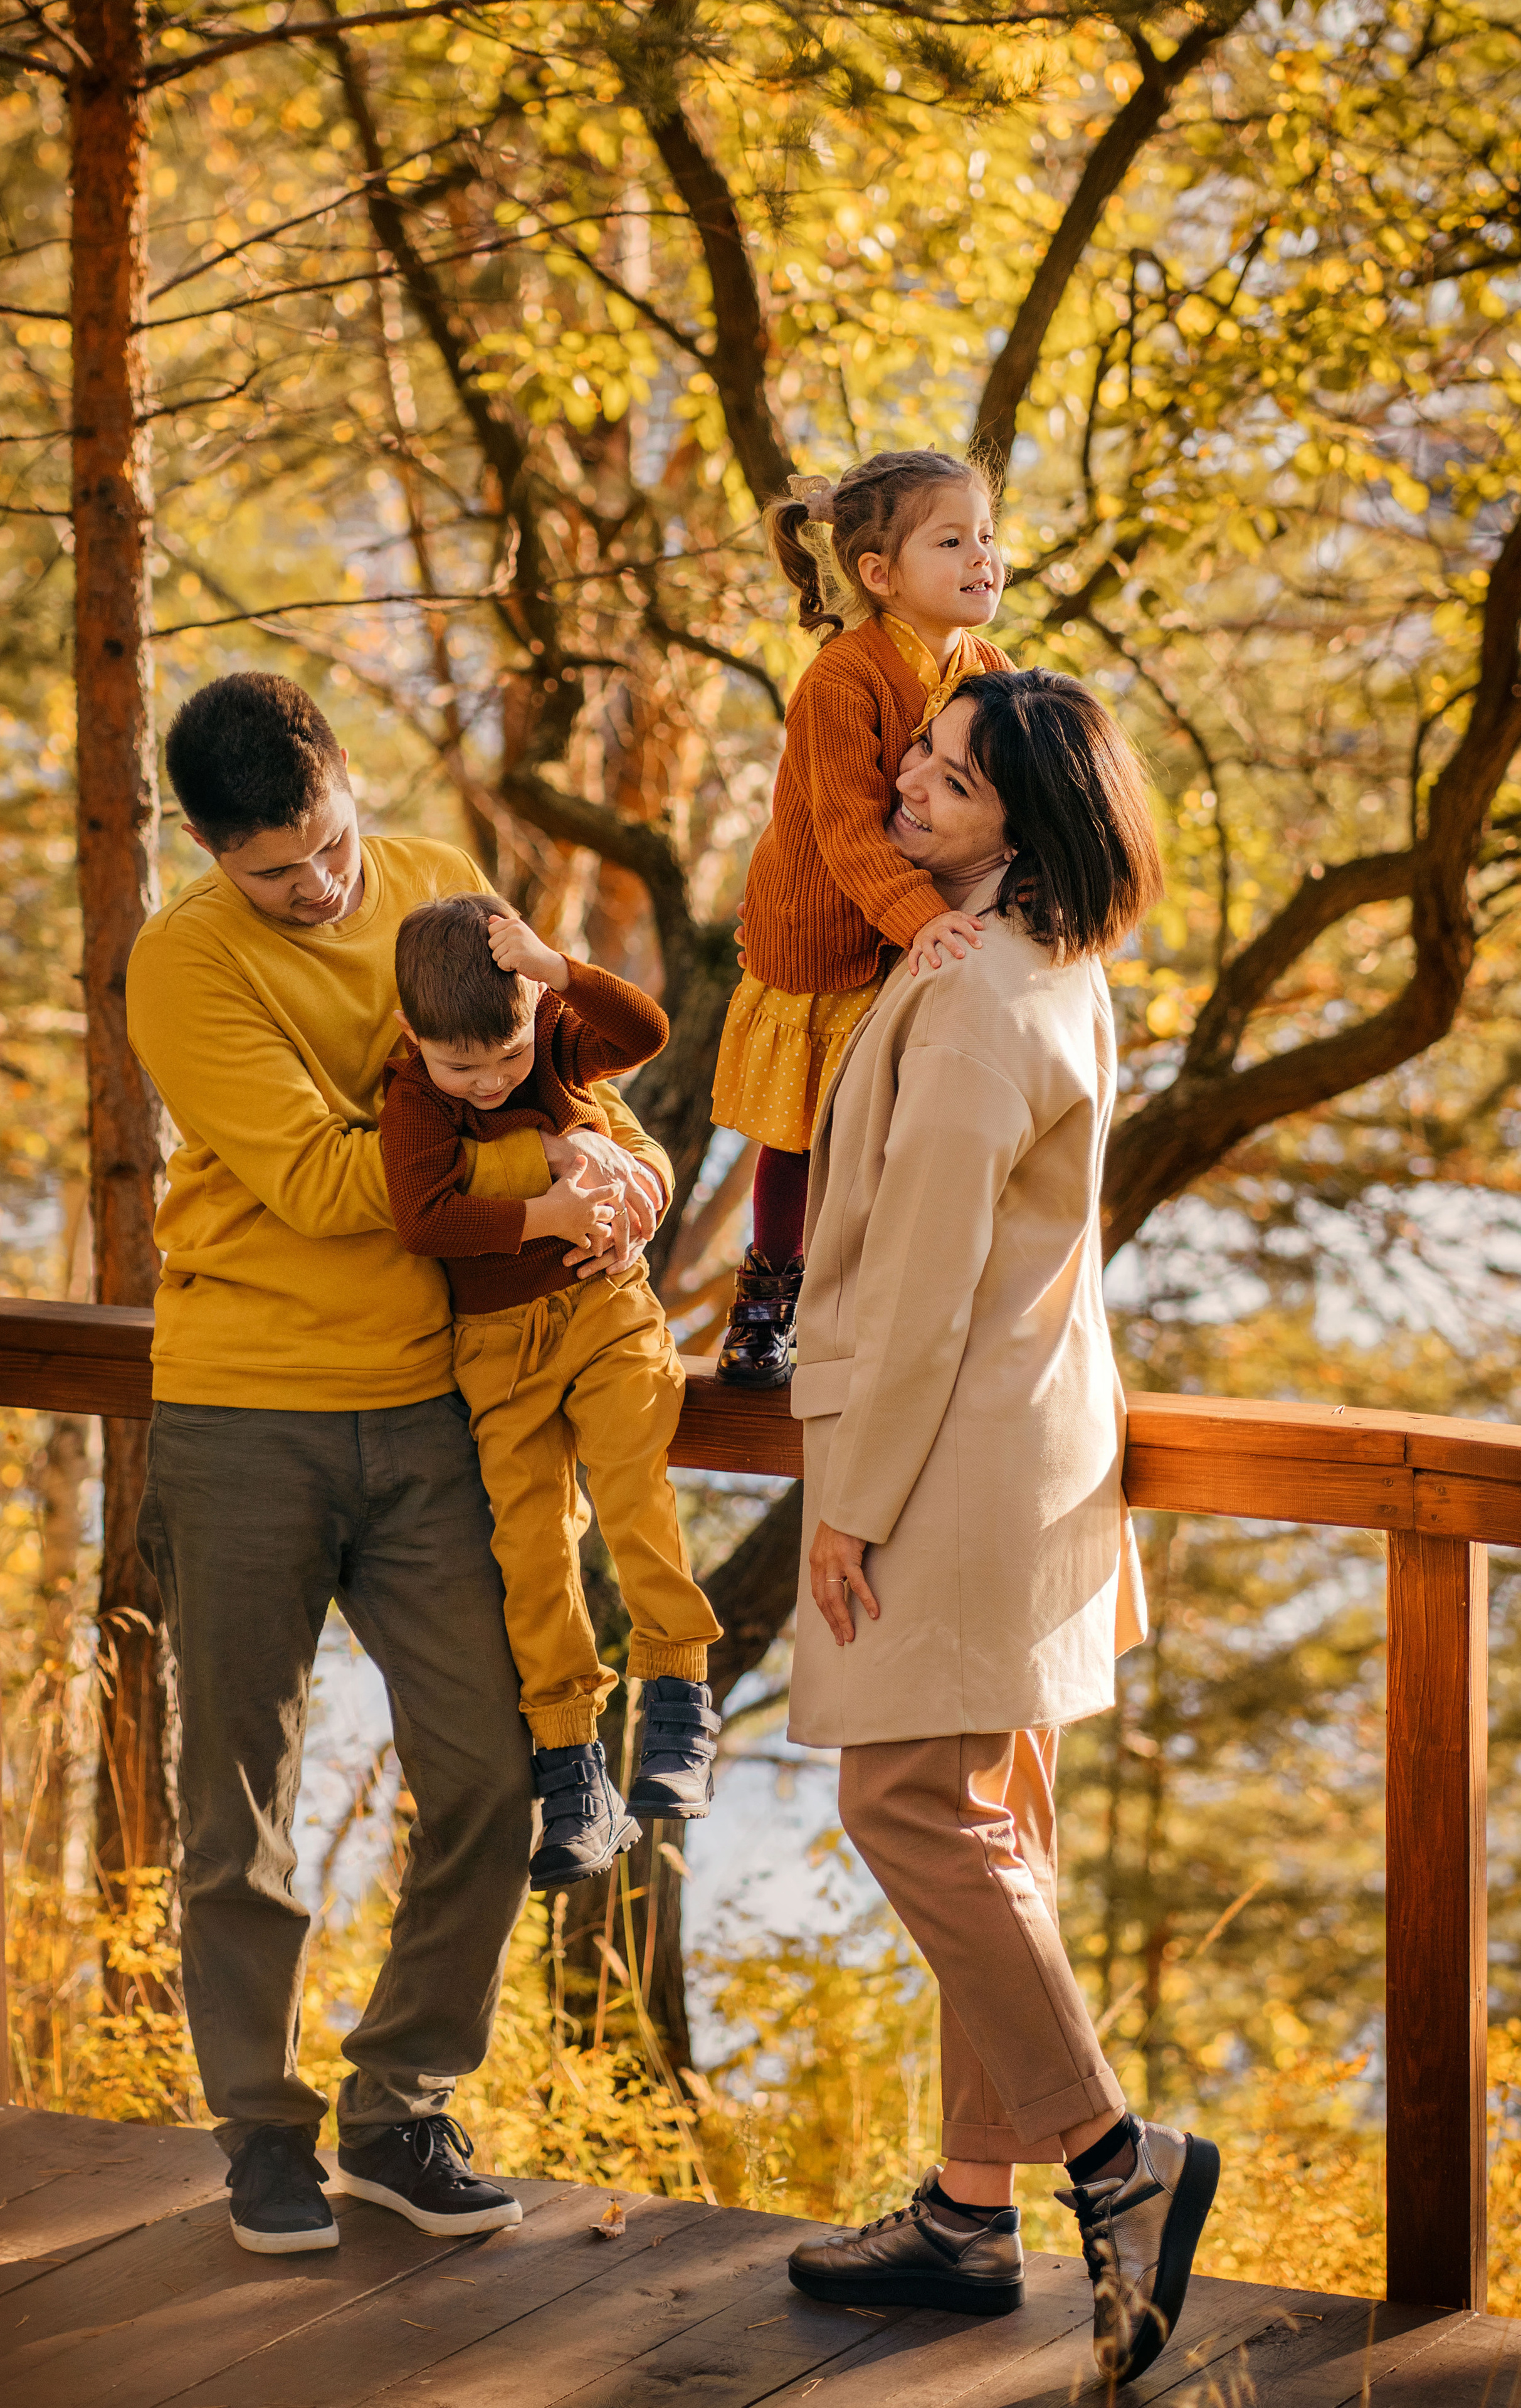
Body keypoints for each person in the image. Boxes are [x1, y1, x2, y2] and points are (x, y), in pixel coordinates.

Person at [126, 671, 671, 2258]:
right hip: (244, 1411)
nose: (319, 889)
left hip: (438, 1409)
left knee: (496, 1774)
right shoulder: (185, 963)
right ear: (210, 853)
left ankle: (398, 2106)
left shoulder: (440, 881)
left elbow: (569, 1065)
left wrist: (618, 1170)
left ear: (352, 786)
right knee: (240, 1800)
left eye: (328, 846)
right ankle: (261, 2132)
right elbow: (309, 1178)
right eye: (275, 873)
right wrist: (535, 1185)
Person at [781, 668, 1220, 2388]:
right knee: (989, 1828)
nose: (908, 779)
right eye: (920, 754)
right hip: (1035, 1450)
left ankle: (1119, 2161)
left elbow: (923, 1282)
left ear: (1022, 822)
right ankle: (971, 2214)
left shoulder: (975, 1006)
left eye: (949, 778)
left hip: (951, 1464)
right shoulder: (1042, 967)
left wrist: (852, 1508)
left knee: (913, 1807)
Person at [379, 892, 722, 1887]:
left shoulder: (558, 1035)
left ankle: (676, 1695)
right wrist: (547, 1206)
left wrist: (560, 971)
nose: (488, 1083)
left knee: (631, 1491)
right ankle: (572, 1765)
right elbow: (425, 1219)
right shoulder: (417, 1095)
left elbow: (647, 1031)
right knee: (530, 1544)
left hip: (606, 1311)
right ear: (414, 1036)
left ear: (532, 1008)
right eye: (462, 1066)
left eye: (507, 1057)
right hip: (496, 1350)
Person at [710, 449, 1011, 1388]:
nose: (983, 558)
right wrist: (921, 917)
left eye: (989, 537)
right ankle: (767, 1299)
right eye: (952, 541)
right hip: (824, 933)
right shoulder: (841, 682)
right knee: (798, 1134)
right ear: (879, 575)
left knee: (887, 1132)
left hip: (904, 927)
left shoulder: (988, 670)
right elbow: (845, 832)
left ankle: (879, 1304)